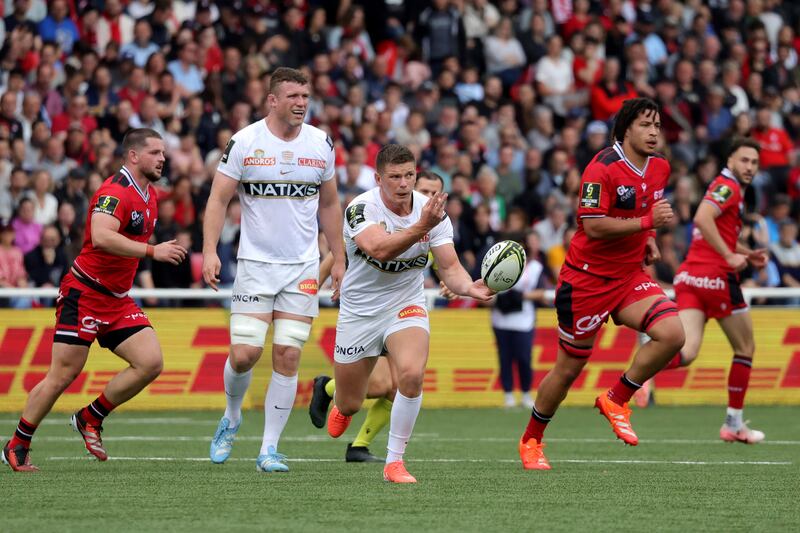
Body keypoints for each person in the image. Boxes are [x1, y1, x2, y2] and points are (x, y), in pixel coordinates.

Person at [2, 128, 187, 472]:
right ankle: (17, 444)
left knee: (151, 362)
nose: (163, 158)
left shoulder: (150, 195)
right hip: (84, 294)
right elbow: (101, 236)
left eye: (163, 153)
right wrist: (152, 251)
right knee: (62, 375)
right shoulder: (115, 191)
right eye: (155, 152)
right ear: (133, 156)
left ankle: (90, 417)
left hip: (116, 300)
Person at [518, 98, 685, 470]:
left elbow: (645, 209)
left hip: (627, 276)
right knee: (567, 371)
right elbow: (592, 225)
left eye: (657, 124)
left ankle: (616, 398)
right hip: (586, 281)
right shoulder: (602, 167)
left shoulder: (659, 168)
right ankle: (532, 439)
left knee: (673, 333)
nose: (654, 131)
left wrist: (649, 241)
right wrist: (646, 226)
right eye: (645, 124)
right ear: (626, 129)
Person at [203, 67, 345, 473]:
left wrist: (338, 258)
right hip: (255, 265)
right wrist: (210, 250)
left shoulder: (321, 143)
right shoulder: (245, 142)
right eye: (293, 96)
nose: (301, 102)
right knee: (245, 354)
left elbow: (331, 204)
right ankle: (231, 417)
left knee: (287, 355)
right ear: (272, 100)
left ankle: (269, 449)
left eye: (305, 95)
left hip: (301, 268)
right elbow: (217, 199)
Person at [326, 144, 493, 483]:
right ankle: (342, 406)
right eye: (394, 177)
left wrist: (469, 287)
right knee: (351, 401)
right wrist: (422, 227)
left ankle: (394, 462)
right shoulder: (361, 208)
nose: (403, 183)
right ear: (378, 178)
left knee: (411, 375)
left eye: (409, 175)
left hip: (405, 303)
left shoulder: (432, 213)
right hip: (359, 310)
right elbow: (379, 249)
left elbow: (450, 267)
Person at [308, 170, 448, 463]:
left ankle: (360, 445)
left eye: (434, 193)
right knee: (378, 388)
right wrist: (314, 289)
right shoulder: (378, 216)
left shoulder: (433, 223)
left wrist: (450, 280)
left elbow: (438, 261)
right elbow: (339, 252)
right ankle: (331, 388)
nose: (425, 197)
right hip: (366, 309)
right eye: (423, 189)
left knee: (401, 385)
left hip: (402, 310)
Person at [663, 138, 768, 443]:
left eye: (755, 163)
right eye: (744, 160)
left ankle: (634, 379)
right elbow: (701, 218)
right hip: (716, 278)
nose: (750, 167)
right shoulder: (729, 187)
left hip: (690, 276)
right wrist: (729, 256)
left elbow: (713, 230)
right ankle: (734, 423)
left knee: (686, 352)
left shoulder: (724, 186)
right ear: (730, 160)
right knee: (745, 348)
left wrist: (746, 253)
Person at [492, 230, 547, 408]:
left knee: (524, 358)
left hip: (524, 321)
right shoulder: (498, 265)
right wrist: (501, 299)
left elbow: (541, 291)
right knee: (505, 358)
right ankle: (508, 394)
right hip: (501, 319)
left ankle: (525, 393)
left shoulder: (536, 268)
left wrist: (520, 297)